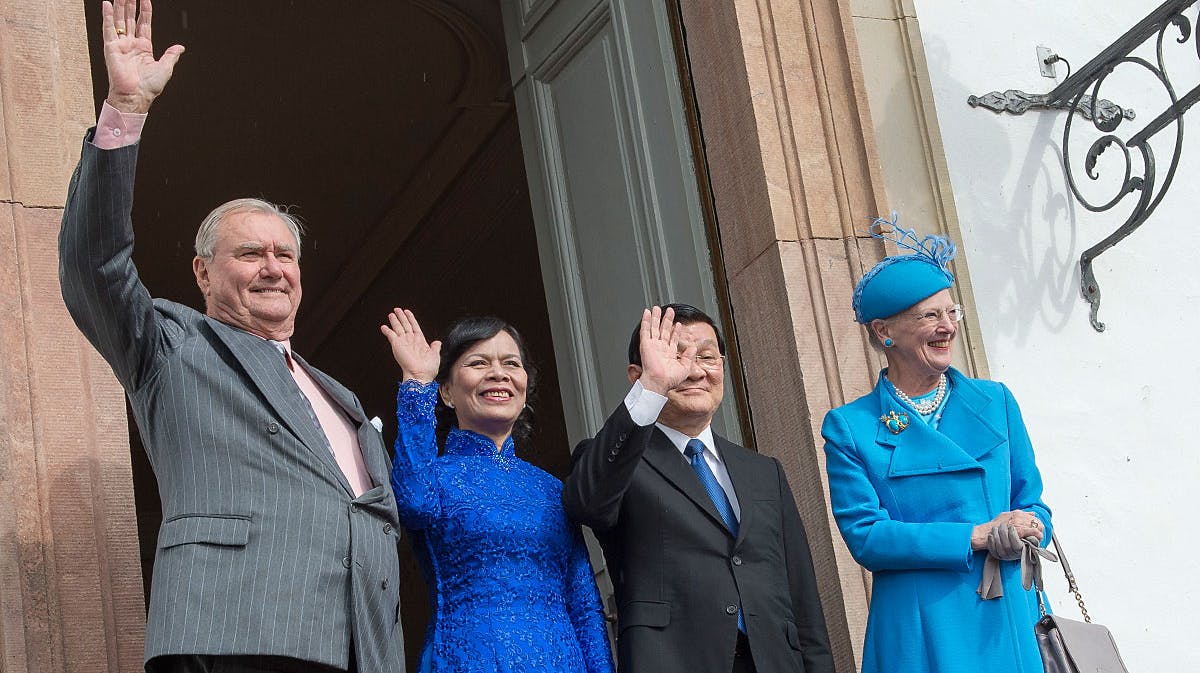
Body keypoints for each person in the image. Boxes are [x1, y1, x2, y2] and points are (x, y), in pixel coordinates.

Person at [58, 2, 404, 671]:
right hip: (236, 631)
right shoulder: (171, 344)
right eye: (250, 254)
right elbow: (92, 265)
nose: (273, 267)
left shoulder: (342, 398)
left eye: (285, 254)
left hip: (351, 646)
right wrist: (125, 111)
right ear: (203, 271)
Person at [821, 218, 1053, 673]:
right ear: (884, 331)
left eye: (952, 312)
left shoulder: (997, 401)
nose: (948, 327)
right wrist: (975, 535)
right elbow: (867, 536)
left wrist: (1027, 526)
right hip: (920, 627)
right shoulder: (851, 427)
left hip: (1006, 618)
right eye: (930, 316)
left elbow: (1033, 502)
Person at [562, 304, 834, 673]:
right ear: (637, 375)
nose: (693, 370)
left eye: (707, 356)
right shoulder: (615, 461)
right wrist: (653, 388)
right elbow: (587, 504)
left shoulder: (763, 471)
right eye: (675, 358)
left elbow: (803, 601)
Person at [380, 309, 614, 673]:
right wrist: (416, 385)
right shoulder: (434, 476)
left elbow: (583, 604)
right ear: (447, 392)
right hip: (466, 660)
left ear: (524, 386)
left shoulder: (553, 490)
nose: (498, 373)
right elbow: (414, 505)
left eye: (511, 363)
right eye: (478, 362)